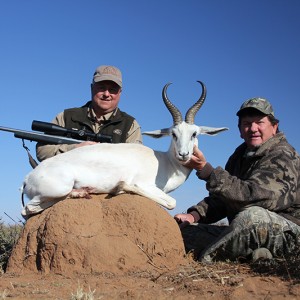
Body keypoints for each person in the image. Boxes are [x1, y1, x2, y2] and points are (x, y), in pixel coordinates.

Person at [174, 97, 300, 262]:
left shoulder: (283, 155)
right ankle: (253, 256)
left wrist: (207, 171)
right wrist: (194, 215)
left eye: (259, 122)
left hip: (288, 233)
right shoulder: (239, 156)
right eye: (246, 123)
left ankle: (207, 259)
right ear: (240, 130)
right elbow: (224, 198)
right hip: (244, 229)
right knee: (186, 231)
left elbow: (253, 198)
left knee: (252, 217)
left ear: (274, 127)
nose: (253, 128)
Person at [36, 65, 142, 161]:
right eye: (101, 88)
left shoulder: (130, 125)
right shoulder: (66, 116)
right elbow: (42, 151)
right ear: (92, 88)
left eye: (112, 89)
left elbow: (136, 162)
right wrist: (74, 149)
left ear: (120, 93)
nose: (106, 94)